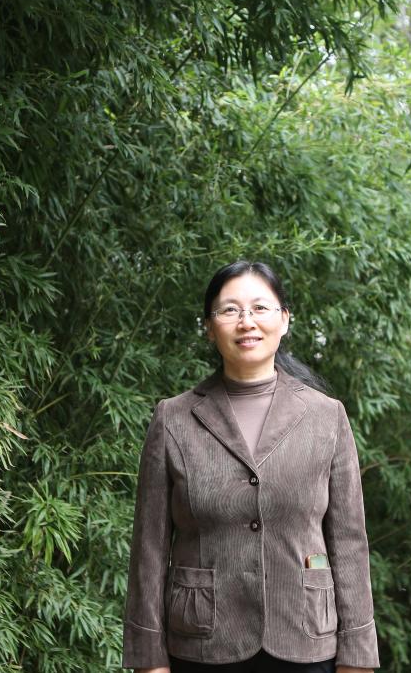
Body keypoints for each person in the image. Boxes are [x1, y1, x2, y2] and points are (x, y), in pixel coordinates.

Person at [122, 261, 379, 673]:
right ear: (209, 327)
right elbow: (149, 548)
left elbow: (349, 541)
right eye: (230, 310)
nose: (247, 322)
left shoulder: (326, 416)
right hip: (201, 644)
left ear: (285, 319)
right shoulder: (174, 418)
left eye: (260, 308)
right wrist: (148, 658)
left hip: (305, 640)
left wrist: (358, 656)